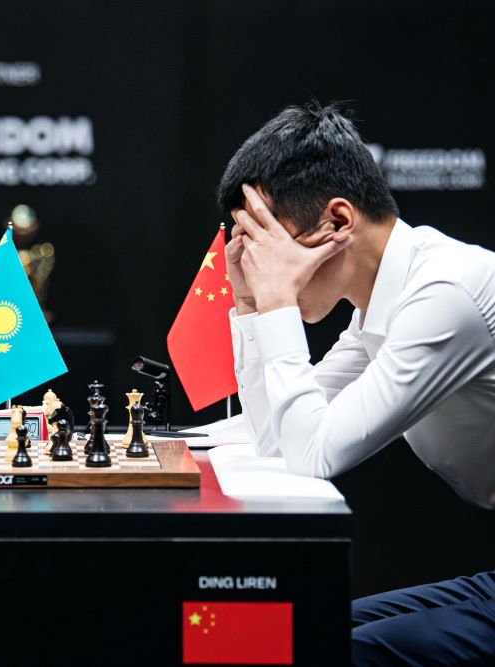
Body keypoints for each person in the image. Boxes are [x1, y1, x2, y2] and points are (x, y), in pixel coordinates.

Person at [218, 102, 495, 665]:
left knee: (326, 648)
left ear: (339, 222)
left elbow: (315, 454)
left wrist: (276, 302)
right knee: (306, 631)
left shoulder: (445, 295)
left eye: (266, 243)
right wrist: (249, 305)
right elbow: (278, 440)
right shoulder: (378, 308)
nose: (257, 263)